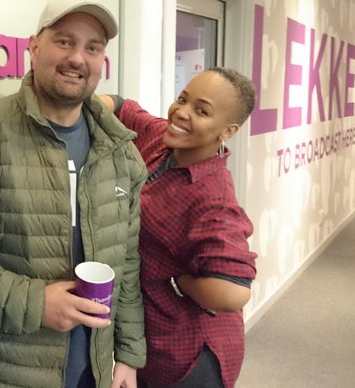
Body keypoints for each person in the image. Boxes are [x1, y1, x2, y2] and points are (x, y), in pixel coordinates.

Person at [0, 0, 147, 388]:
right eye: (64, 41)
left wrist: (127, 354)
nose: (78, 58)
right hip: (7, 371)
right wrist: (37, 303)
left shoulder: (120, 150)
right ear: (34, 47)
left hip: (94, 369)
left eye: (92, 47)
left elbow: (127, 263)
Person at [100, 68, 258, 388]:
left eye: (202, 111)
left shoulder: (213, 197)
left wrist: (177, 278)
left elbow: (233, 292)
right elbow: (121, 107)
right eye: (182, 99)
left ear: (228, 131)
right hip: (148, 339)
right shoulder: (163, 141)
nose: (182, 112)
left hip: (188, 357)